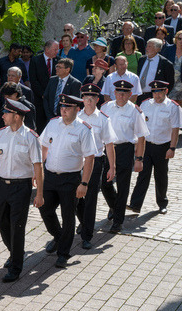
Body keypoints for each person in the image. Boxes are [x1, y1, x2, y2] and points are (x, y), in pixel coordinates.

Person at [39, 94, 97, 266]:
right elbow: (43, 145)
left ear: (77, 110)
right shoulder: (52, 123)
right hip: (49, 176)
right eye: (62, 107)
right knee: (44, 208)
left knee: (68, 215)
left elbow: (90, 158)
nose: (63, 110)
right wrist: (39, 169)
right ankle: (58, 236)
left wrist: (84, 183)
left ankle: (63, 253)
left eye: (68, 107)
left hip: (70, 179)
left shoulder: (83, 129)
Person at [0, 100, 44, 282]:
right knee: (1, 222)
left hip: (21, 186)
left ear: (17, 116)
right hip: (2, 185)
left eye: (6, 113)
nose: (3, 116)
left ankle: (16, 267)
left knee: (17, 227)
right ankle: (14, 253)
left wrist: (39, 193)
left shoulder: (30, 137)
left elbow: (38, 165)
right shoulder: (0, 135)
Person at [100, 80, 149, 233]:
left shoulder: (135, 111)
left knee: (123, 186)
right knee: (105, 184)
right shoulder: (105, 107)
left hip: (125, 150)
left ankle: (118, 221)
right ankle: (115, 207)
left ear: (130, 94)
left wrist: (139, 159)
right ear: (114, 93)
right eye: (118, 92)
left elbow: (141, 137)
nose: (121, 96)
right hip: (107, 149)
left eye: (125, 93)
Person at [76, 84, 117, 249]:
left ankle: (87, 235)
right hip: (77, 161)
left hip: (96, 161)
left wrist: (112, 167)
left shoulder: (103, 119)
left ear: (97, 100)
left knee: (91, 198)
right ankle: (84, 221)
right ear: (83, 99)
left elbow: (109, 145)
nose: (89, 100)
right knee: (75, 197)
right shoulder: (76, 117)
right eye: (86, 97)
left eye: (92, 98)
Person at [131, 80, 180, 214]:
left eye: (159, 92)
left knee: (161, 176)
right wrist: (137, 144)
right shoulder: (145, 104)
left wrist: (172, 148)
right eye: (154, 92)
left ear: (166, 91)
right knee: (142, 174)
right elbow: (139, 126)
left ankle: (162, 203)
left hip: (162, 146)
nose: (157, 95)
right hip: (146, 146)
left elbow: (175, 129)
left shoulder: (173, 107)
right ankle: (135, 204)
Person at [28, 39, 59, 121]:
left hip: (54, 99)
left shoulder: (59, 61)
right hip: (39, 99)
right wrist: (43, 94)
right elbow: (33, 80)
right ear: (47, 49)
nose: (57, 51)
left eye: (58, 49)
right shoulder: (35, 60)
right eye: (55, 49)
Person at [136, 38, 175, 103]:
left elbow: (170, 82)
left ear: (157, 49)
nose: (146, 48)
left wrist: (162, 96)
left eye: (149, 46)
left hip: (155, 97)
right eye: (147, 46)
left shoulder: (165, 63)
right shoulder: (141, 59)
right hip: (139, 96)